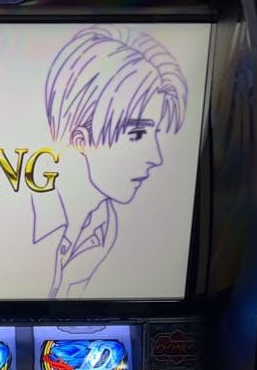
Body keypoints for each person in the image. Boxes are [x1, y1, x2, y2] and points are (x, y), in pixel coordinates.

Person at [35, 26, 187, 297]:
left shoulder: (109, 230)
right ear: (80, 139)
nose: (156, 158)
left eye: (157, 133)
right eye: (137, 134)